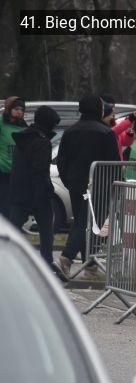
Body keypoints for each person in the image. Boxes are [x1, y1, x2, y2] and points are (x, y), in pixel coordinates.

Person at [55, 95, 119, 279]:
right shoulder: (105, 132)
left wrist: (68, 180)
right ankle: (66, 258)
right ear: (98, 109)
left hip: (75, 184)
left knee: (83, 221)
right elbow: (114, 163)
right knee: (88, 223)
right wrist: (116, 183)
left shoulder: (70, 131)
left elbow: (61, 160)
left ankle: (90, 265)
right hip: (100, 184)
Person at [9, 106, 61, 273]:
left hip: (19, 191)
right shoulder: (42, 142)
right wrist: (46, 191)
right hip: (38, 193)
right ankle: (46, 264)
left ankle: (7, 261)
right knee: (46, 231)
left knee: (13, 229)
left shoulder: (23, 137)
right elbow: (40, 171)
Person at [0, 96, 28, 220]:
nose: (19, 112)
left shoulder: (23, 126)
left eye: (22, 110)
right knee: (4, 205)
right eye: (16, 109)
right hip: (2, 172)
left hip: (18, 173)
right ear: (9, 109)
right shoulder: (1, 123)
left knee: (15, 206)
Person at [100, 94, 136, 160]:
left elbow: (125, 143)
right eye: (110, 107)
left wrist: (129, 134)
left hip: (117, 162)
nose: (113, 110)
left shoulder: (114, 123)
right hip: (105, 162)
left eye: (113, 107)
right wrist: (129, 120)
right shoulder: (98, 125)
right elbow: (111, 133)